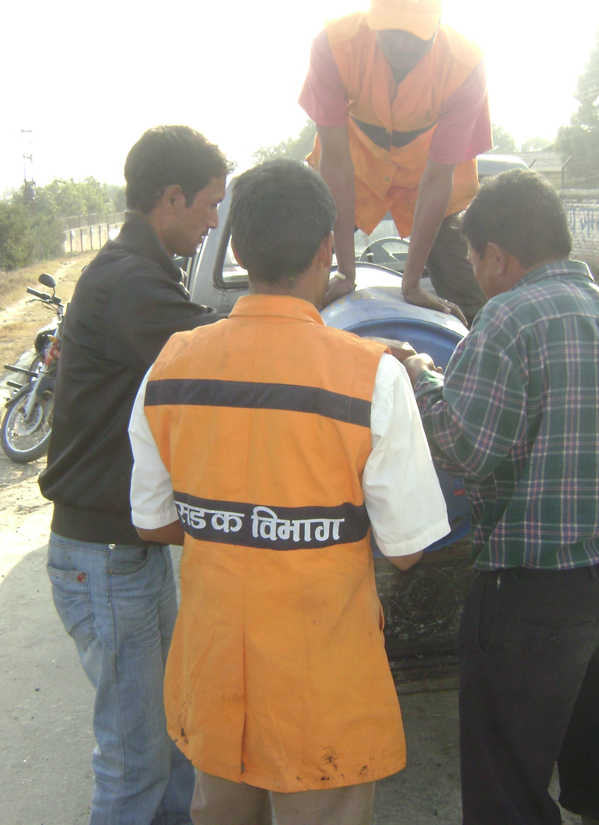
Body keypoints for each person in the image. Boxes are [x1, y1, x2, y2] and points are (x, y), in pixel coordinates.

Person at [127, 158, 450, 825]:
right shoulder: (374, 378)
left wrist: (234, 527)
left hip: (215, 680)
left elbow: (153, 522)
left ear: (240, 252)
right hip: (321, 692)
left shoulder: (171, 365)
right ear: (327, 248)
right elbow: (408, 548)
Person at [398, 168, 599, 825]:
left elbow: (467, 445)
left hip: (534, 594)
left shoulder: (507, 319)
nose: (476, 273)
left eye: (474, 259)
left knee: (509, 784)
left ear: (498, 256)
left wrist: (419, 376)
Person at [38, 125, 229, 825]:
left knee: (171, 741)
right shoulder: (131, 283)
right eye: (208, 203)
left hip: (126, 551)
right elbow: (224, 348)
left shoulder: (137, 271)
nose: (213, 219)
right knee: (133, 763)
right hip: (105, 558)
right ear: (171, 197)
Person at [299, 0, 493, 325]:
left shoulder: (465, 67)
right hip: (354, 172)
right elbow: (336, 160)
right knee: (294, 268)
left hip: (431, 183)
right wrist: (345, 273)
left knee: (470, 295)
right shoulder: (334, 46)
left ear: (437, 24)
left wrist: (412, 285)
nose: (402, 46)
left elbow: (438, 177)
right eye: (391, 31)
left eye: (415, 34)